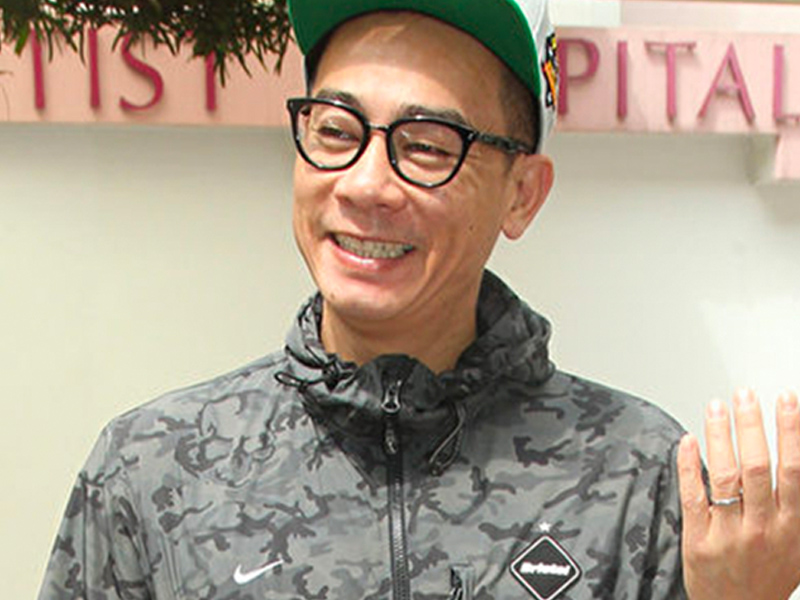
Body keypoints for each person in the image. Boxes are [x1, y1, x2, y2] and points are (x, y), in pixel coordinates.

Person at [37, 0, 800, 598]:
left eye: (427, 146)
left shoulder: (639, 477)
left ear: (523, 194)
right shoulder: (154, 471)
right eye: (336, 131)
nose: (366, 184)